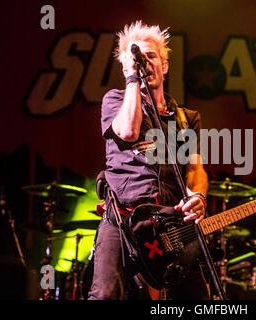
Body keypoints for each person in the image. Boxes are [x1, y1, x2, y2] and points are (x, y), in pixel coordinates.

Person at [88, 21, 210, 300]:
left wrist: (198, 195)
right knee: (106, 295)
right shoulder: (114, 102)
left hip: (170, 225)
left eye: (150, 56)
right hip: (122, 221)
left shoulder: (185, 118)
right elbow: (128, 132)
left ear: (164, 65)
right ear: (126, 68)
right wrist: (133, 78)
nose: (144, 63)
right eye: (137, 58)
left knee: (198, 299)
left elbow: (195, 169)